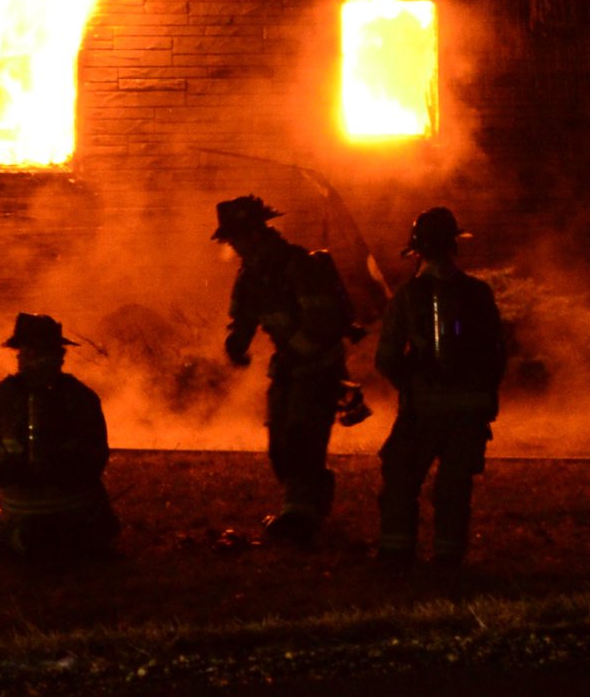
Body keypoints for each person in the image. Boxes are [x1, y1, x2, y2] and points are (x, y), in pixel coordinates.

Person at [213, 194, 361, 544]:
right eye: (230, 239)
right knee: (279, 446)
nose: (233, 245)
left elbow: (321, 325)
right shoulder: (250, 275)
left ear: (255, 233)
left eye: (236, 237)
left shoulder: (300, 266)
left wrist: (297, 358)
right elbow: (244, 316)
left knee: (301, 437)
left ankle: (298, 518)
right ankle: (312, 498)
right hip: (289, 365)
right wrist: (237, 342)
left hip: (318, 365)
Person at [374, 206, 506, 568]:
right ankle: (449, 554)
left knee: (401, 478)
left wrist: (412, 385)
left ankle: (397, 552)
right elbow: (497, 352)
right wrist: (482, 392)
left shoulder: (407, 296)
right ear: (454, 246)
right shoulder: (479, 293)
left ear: (417, 251)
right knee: (454, 485)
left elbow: (385, 358)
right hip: (470, 409)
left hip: (424, 408)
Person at [0, 312, 119, 560]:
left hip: (19, 517)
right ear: (59, 356)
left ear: (27, 355)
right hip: (81, 519)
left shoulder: (3, 394)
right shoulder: (82, 396)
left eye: (20, 353)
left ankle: (25, 539)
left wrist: (10, 450)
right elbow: (98, 456)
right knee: (102, 529)